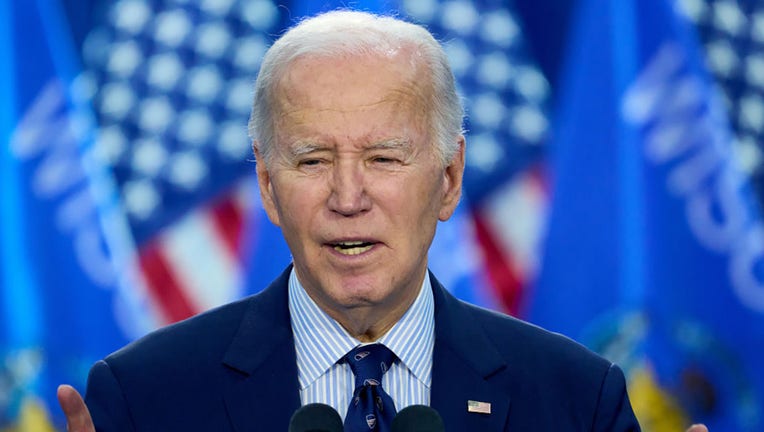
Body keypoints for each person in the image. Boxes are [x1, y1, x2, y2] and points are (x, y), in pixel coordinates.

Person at [57, 10, 706, 432]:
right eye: (312, 159)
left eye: (383, 158)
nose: (348, 195)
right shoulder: (145, 398)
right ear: (267, 184)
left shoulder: (573, 401)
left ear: (449, 179)